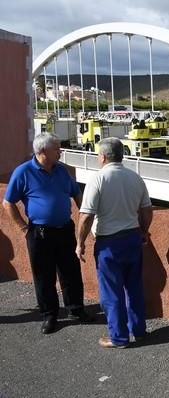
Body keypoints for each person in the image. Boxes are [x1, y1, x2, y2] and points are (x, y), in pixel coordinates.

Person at [3, 133, 92, 334]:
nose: (60, 152)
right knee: (44, 276)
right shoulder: (23, 172)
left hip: (64, 229)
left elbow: (76, 193)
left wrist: (85, 216)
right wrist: (23, 228)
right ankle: (50, 315)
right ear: (43, 152)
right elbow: (8, 202)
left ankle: (76, 309)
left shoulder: (61, 171)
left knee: (70, 272)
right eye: (56, 149)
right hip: (39, 233)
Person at [76, 138, 152, 348]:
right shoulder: (135, 178)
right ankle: (138, 329)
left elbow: (86, 216)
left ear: (102, 156)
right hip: (132, 239)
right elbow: (146, 210)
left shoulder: (98, 179)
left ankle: (118, 337)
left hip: (109, 243)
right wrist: (144, 231)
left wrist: (80, 242)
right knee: (134, 287)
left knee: (111, 291)